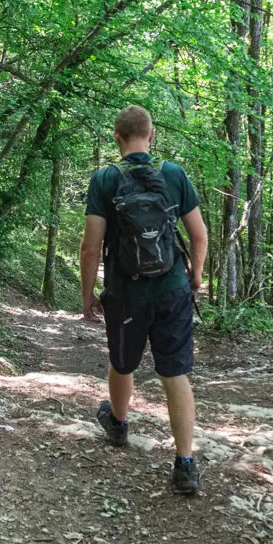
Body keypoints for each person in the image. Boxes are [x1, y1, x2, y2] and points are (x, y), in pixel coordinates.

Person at [80, 105, 209, 495]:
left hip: (125, 291)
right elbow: (199, 235)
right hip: (172, 289)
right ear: (151, 137)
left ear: (116, 137)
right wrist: (196, 276)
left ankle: (118, 423)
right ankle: (185, 463)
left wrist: (87, 297)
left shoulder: (104, 180)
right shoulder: (172, 174)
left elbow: (91, 247)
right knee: (174, 372)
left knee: (123, 362)